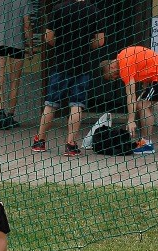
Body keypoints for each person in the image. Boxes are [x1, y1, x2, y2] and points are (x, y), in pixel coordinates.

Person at [30, 0, 104, 157]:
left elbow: (48, 37)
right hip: (82, 64)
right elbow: (100, 41)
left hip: (61, 63)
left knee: (51, 103)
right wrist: (84, 46)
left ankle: (40, 141)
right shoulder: (93, 10)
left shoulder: (58, 8)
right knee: (77, 104)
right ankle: (71, 144)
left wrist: (62, 45)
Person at [100, 46, 158, 155]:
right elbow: (145, 62)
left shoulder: (124, 65)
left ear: (111, 67)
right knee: (142, 105)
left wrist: (131, 120)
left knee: (142, 105)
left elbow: (131, 94)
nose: (114, 78)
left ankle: (147, 144)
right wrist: (146, 83)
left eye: (111, 76)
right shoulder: (123, 55)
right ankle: (144, 141)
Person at [0, 0, 33, 130]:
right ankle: (10, 116)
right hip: (18, 44)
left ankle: (1, 115)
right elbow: (27, 26)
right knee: (14, 82)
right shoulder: (24, 2)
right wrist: (31, 47)